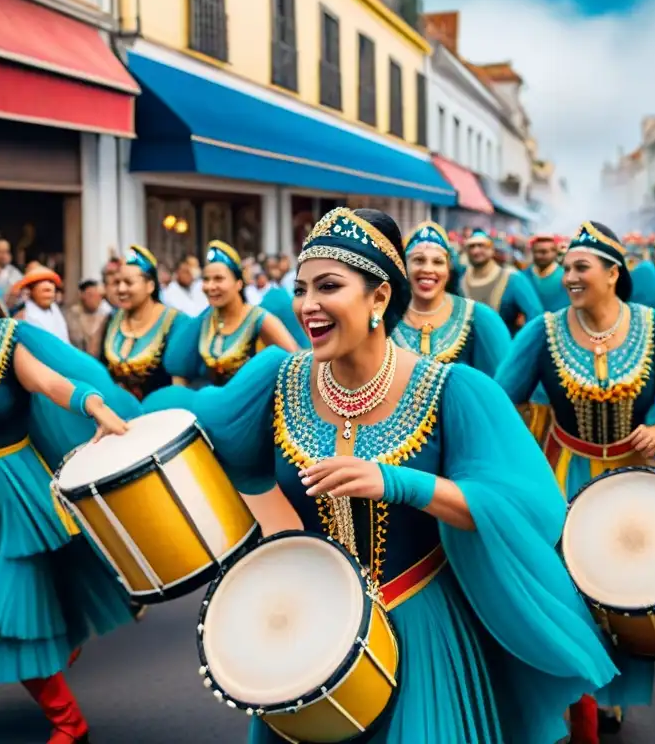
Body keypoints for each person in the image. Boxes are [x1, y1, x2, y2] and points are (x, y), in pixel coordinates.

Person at [143, 207, 618, 744]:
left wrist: (399, 483)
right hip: (309, 633)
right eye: (301, 289)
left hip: (419, 625)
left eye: (328, 286)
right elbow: (199, 428)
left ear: (379, 297)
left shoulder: (451, 389)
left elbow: (525, 506)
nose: (307, 306)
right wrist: (100, 410)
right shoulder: (278, 378)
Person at [0, 217, 140, 744]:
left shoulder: (7, 337)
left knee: (10, 615)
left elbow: (49, 382)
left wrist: (92, 405)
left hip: (11, 500)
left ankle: (70, 724)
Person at [495, 220, 655, 742]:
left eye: (581, 267)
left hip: (636, 478)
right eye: (567, 267)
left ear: (613, 272)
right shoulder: (543, 331)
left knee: (628, 592)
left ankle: (614, 691)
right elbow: (501, 398)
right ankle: (582, 699)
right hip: (566, 476)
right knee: (568, 588)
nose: (569, 276)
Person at [163, 241, 298, 386]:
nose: (210, 286)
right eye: (206, 279)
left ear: (239, 283)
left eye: (218, 279)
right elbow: (178, 368)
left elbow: (296, 363)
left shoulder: (257, 318)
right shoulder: (204, 320)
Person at [391, 222, 511, 374]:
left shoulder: (480, 318)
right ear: (404, 266)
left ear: (448, 268)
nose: (428, 269)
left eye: (438, 262)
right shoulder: (383, 317)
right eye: (418, 260)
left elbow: (500, 388)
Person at [100, 244, 188, 400]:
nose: (120, 289)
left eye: (129, 283)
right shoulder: (112, 320)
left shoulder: (175, 323)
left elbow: (180, 385)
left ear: (150, 285)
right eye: (117, 282)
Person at [459, 229, 543, 335]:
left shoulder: (512, 278)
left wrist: (520, 344)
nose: (476, 251)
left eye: (481, 246)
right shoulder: (461, 279)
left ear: (492, 249)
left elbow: (536, 316)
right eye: (472, 246)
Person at [15, 268, 71, 344]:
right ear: (31, 291)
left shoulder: (56, 312)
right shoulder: (21, 317)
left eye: (51, 283)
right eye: (44, 290)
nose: (48, 293)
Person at [65, 279, 109, 357]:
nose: (96, 299)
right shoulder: (69, 317)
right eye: (91, 295)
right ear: (81, 295)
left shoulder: (105, 317)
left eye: (99, 296)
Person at [526, 234, 570, 312]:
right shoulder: (524, 276)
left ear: (555, 252)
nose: (540, 256)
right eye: (537, 252)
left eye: (544, 252)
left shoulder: (565, 276)